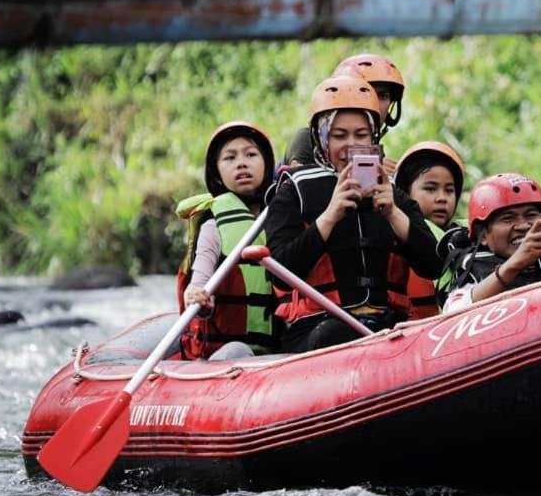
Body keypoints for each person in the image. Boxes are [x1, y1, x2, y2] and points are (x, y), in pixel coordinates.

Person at [266, 75, 441, 353]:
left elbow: (433, 265)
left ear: (373, 136)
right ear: (320, 137)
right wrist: (330, 216)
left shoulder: (393, 192)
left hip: (389, 325)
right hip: (317, 327)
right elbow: (280, 273)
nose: (350, 145)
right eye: (339, 135)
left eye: (361, 135)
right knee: (335, 332)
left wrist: (394, 214)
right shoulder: (293, 191)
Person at [175, 121, 278, 360]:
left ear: (267, 164)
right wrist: (196, 297)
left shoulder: (282, 220)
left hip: (281, 351)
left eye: (251, 154)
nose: (241, 162)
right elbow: (198, 281)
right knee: (238, 350)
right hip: (229, 353)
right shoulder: (213, 228)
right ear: (218, 174)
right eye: (229, 158)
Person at [442, 172, 541, 313]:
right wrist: (514, 265)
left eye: (530, 215)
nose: (523, 226)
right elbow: (452, 312)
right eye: (508, 218)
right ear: (482, 235)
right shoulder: (473, 278)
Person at [283, 53, 406, 176]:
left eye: (383, 95)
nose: (374, 102)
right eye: (364, 91)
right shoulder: (306, 140)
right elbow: (302, 187)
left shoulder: (375, 154)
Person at [392, 141, 465, 318]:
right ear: (404, 193)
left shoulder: (466, 234)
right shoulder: (393, 233)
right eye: (430, 189)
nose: (442, 198)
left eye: (449, 190)